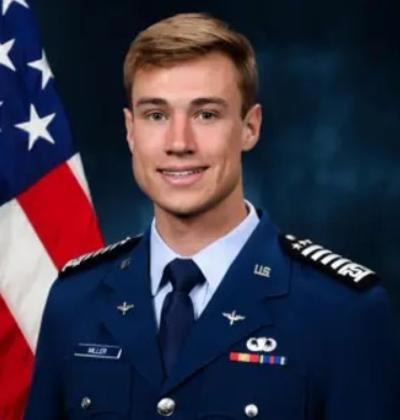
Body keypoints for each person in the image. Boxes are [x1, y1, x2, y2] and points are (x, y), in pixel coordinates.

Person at [25, 13, 399, 420]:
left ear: (249, 127)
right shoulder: (75, 301)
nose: (179, 143)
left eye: (206, 114)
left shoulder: (342, 311)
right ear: (131, 130)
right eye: (156, 115)